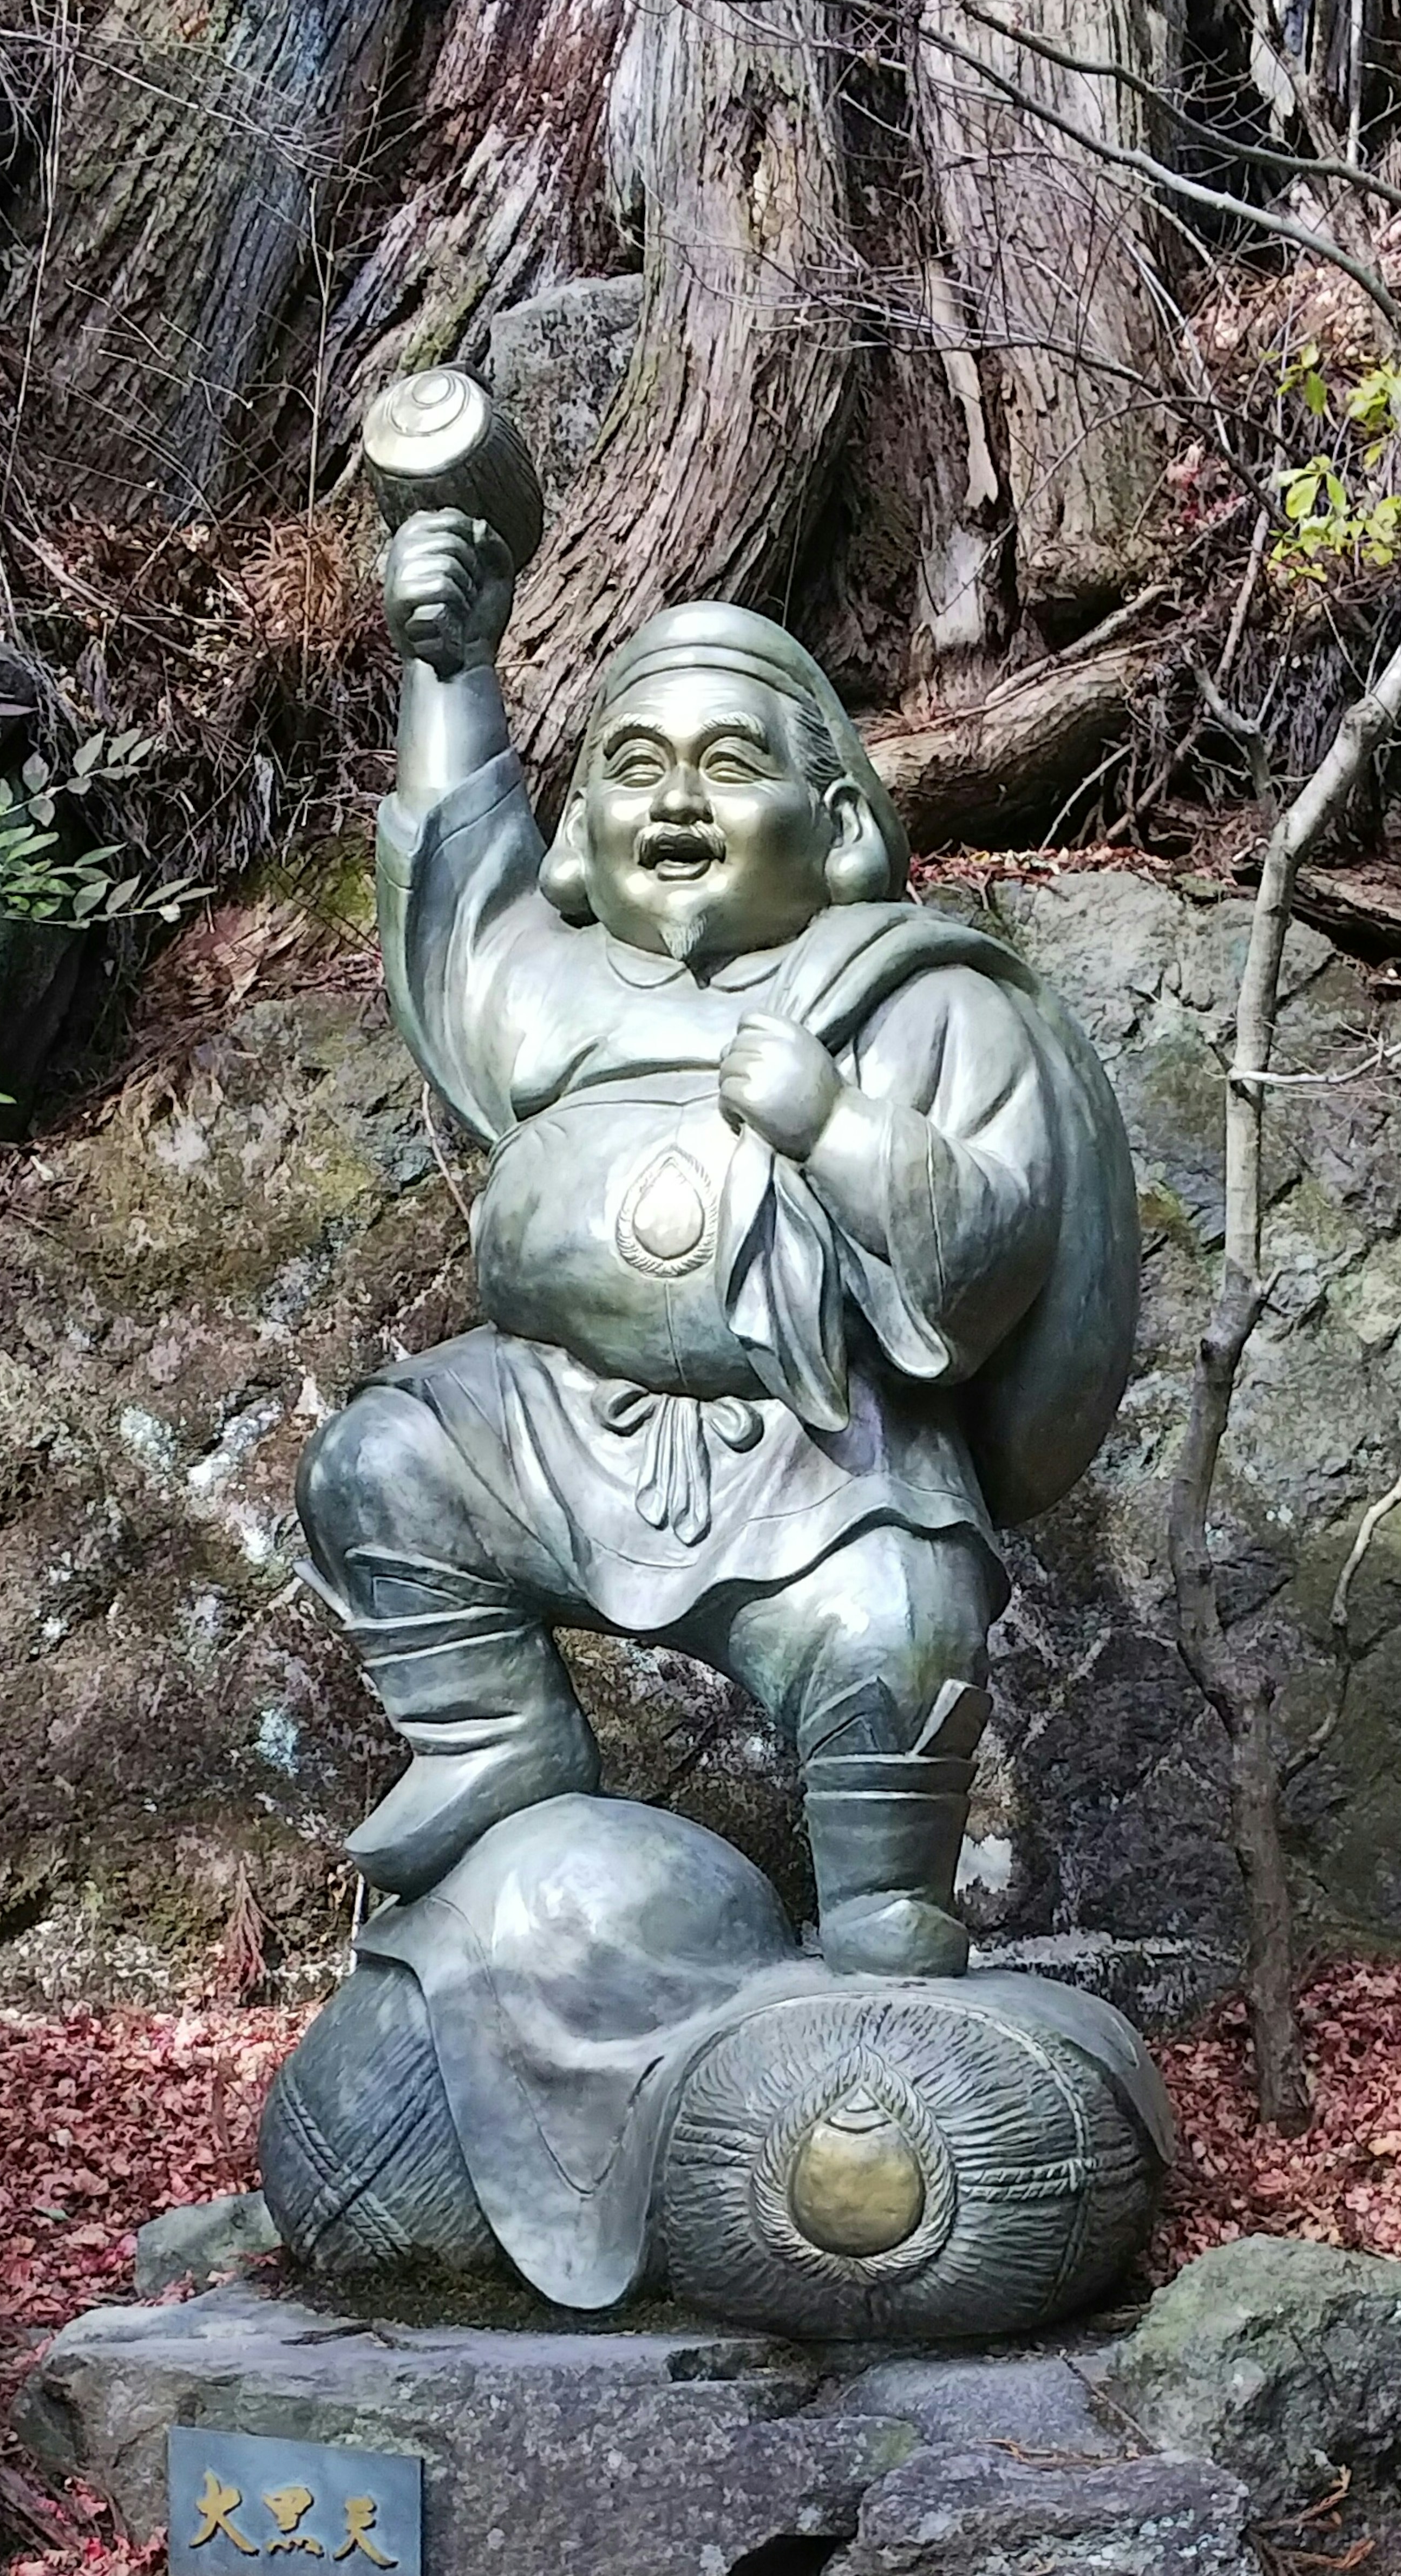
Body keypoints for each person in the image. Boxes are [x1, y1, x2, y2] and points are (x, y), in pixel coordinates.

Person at [293, 505, 1136, 1977]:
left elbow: (996, 1238)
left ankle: (884, 1921)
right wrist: (452, 661)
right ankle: (495, 1738)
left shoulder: (919, 996)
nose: (676, 801)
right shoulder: (558, 994)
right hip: (554, 1426)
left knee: (898, 1624)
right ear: (579, 845)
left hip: (827, 1454)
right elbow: (452, 905)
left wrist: (837, 1124)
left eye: (730, 766)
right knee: (380, 1467)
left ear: (842, 820)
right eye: (634, 769)